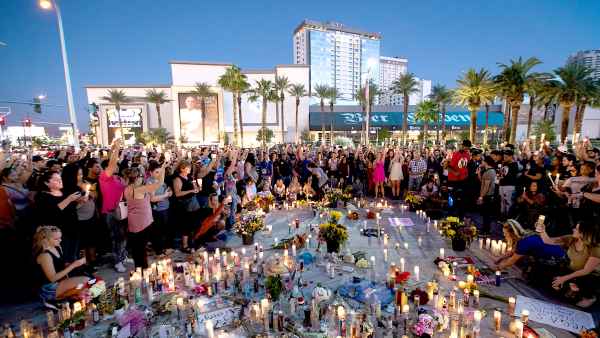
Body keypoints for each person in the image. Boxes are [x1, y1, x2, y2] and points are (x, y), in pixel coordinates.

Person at [539, 220, 600, 307]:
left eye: (576, 229)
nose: (573, 229)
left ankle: (588, 295)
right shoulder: (571, 239)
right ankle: (571, 287)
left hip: (589, 276)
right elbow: (548, 241)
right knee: (546, 273)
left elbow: (586, 271)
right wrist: (542, 231)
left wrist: (564, 279)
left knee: (584, 286)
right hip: (572, 271)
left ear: (584, 233)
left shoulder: (596, 248)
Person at [33, 226, 89, 309]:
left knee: (88, 283)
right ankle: (51, 299)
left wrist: (75, 263)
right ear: (46, 240)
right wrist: (74, 265)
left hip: (60, 282)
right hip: (49, 288)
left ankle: (66, 298)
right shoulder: (45, 255)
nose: (60, 240)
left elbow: (61, 266)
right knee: (85, 281)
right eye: (56, 239)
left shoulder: (57, 247)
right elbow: (52, 278)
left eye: (60, 238)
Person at [35, 170, 83, 263]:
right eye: (56, 180)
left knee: (73, 254)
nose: (60, 181)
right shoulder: (42, 196)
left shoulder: (64, 192)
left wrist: (81, 202)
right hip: (58, 233)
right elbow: (52, 213)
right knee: (63, 257)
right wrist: (69, 199)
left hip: (73, 228)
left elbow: (71, 210)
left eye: (60, 178)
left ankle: (74, 271)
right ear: (46, 183)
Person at [124, 165, 164, 269]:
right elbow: (159, 183)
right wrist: (163, 170)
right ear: (137, 177)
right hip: (142, 223)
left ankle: (140, 269)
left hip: (135, 222)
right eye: (142, 176)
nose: (144, 178)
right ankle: (143, 271)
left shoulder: (128, 188)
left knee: (138, 249)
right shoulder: (139, 190)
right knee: (140, 250)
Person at [98, 139, 128, 273]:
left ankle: (123, 256)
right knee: (117, 238)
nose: (116, 166)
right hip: (111, 212)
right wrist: (116, 149)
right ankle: (117, 261)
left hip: (122, 210)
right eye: (113, 165)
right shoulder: (104, 177)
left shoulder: (116, 178)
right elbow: (113, 162)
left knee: (123, 236)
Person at [494, 219, 565, 271]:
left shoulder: (523, 242)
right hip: (559, 252)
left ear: (512, 234)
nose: (504, 235)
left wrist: (497, 268)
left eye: (505, 233)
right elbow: (514, 250)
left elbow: (511, 261)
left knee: (527, 268)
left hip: (557, 259)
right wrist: (501, 258)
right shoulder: (525, 234)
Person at [172, 160, 199, 253]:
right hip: (184, 205)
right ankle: (184, 245)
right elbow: (177, 193)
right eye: (188, 168)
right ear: (182, 168)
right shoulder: (177, 179)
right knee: (186, 226)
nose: (189, 169)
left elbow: (194, 188)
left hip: (193, 204)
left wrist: (196, 189)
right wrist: (191, 191)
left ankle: (192, 242)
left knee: (193, 225)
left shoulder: (189, 177)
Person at [147, 160, 172, 255]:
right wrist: (165, 195)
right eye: (156, 172)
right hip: (157, 210)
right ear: (150, 172)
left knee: (163, 231)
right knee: (157, 232)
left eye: (159, 172)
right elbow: (152, 198)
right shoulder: (150, 182)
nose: (159, 174)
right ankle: (158, 251)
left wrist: (169, 192)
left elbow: (164, 189)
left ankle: (162, 249)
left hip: (165, 208)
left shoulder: (159, 179)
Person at [477, 156, 497, 235]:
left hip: (487, 196)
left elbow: (486, 186)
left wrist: (481, 197)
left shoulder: (489, 172)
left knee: (486, 214)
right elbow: (483, 181)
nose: (481, 162)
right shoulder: (489, 171)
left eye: (483, 161)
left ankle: (486, 230)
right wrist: (479, 174)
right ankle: (485, 229)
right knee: (485, 214)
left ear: (486, 162)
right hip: (487, 195)